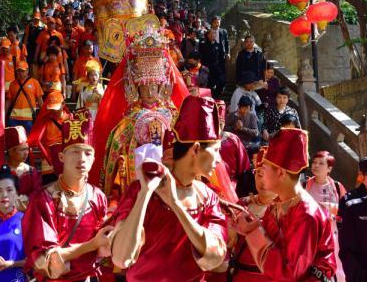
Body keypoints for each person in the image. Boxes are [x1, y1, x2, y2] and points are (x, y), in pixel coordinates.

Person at [110, 96, 228, 281]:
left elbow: (215, 257)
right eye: (216, 150)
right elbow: (121, 258)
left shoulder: (207, 197)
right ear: (196, 150)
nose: (219, 159)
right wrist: (144, 194)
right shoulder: (141, 189)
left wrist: (175, 204)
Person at [229, 128, 336, 281]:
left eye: (263, 169)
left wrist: (252, 232)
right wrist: (249, 226)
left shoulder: (306, 214)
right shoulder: (278, 204)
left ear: (280, 173)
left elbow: (288, 273)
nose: (260, 175)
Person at [23, 108, 112, 281]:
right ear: (62, 156)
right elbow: (47, 263)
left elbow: (105, 253)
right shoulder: (44, 199)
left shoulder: (98, 196)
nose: (82, 159)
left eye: (88, 153)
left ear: (94, 159)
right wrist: (92, 245)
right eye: (75, 152)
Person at [99, 30, 179, 202]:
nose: (150, 92)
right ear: (136, 89)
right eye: (144, 87)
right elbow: (117, 143)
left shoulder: (171, 114)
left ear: (161, 87)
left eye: (154, 87)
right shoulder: (130, 118)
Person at [228, 149, 277, 280]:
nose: (263, 181)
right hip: (237, 274)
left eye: (268, 176)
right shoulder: (242, 204)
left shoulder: (286, 211)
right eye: (259, 174)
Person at [306, 151, 347, 282]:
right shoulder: (304, 185)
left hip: (333, 235)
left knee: (337, 268)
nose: (316, 165)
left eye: (321, 163)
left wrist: (331, 208)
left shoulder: (337, 186)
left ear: (329, 168)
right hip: (310, 234)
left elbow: (346, 211)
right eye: (314, 162)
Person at [7, 61, 44, 133]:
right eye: (18, 71)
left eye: (22, 71)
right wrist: (4, 114)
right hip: (13, 117)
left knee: (28, 140)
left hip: (29, 118)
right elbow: (8, 101)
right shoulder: (12, 84)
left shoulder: (34, 82)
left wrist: (43, 114)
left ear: (27, 71)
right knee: (14, 141)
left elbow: (40, 100)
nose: (20, 73)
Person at [200, 29, 226, 97]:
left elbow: (221, 58)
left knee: (221, 82)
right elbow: (201, 57)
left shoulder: (218, 45)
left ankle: (216, 96)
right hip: (206, 68)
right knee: (208, 86)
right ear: (207, 35)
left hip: (217, 68)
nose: (212, 35)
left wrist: (222, 69)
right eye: (210, 34)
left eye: (214, 33)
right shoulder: (203, 45)